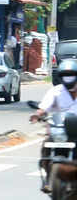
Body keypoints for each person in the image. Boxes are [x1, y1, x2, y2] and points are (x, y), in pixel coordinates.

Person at [30, 59, 77, 192]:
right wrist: (37, 115)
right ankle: (48, 179)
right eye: (66, 75)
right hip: (60, 131)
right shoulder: (55, 91)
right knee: (46, 146)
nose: (69, 78)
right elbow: (44, 107)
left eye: (71, 75)